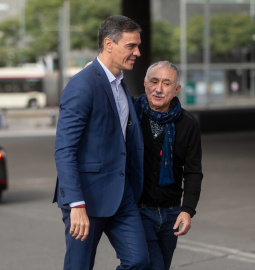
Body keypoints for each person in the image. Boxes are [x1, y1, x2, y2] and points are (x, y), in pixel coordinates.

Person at [53, 15, 150, 270]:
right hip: (87, 197)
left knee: (138, 261)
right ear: (109, 44)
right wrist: (76, 203)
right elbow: (65, 150)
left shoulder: (120, 84)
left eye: (138, 46)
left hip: (122, 194)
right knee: (79, 266)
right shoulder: (82, 85)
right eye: (131, 46)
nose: (137, 52)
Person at [134, 61, 203, 270]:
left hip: (171, 213)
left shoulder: (188, 123)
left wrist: (187, 210)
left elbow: (193, 172)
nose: (158, 89)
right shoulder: (131, 115)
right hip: (139, 209)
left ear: (177, 89)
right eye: (154, 81)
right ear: (145, 83)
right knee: (147, 264)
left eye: (166, 83)